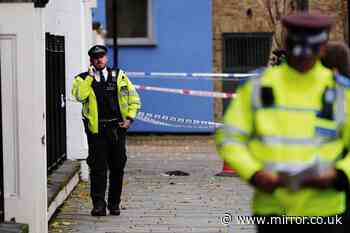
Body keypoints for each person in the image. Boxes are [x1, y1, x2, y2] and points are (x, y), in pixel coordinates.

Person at [216, 12, 350, 233]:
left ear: (323, 48)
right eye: (299, 55)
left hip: (325, 211)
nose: (304, 62)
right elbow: (230, 137)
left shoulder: (339, 91)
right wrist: (255, 174)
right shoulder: (258, 87)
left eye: (310, 54)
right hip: (273, 210)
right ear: (287, 45)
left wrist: (339, 176)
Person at [71, 45, 141, 216]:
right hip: (96, 131)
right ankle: (98, 205)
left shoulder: (119, 76)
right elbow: (79, 96)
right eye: (95, 57)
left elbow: (134, 99)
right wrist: (89, 77)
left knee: (118, 167)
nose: (99, 59)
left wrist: (130, 118)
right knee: (98, 168)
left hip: (117, 128)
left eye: (101, 56)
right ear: (91, 60)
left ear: (106, 58)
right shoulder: (81, 79)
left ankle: (114, 204)